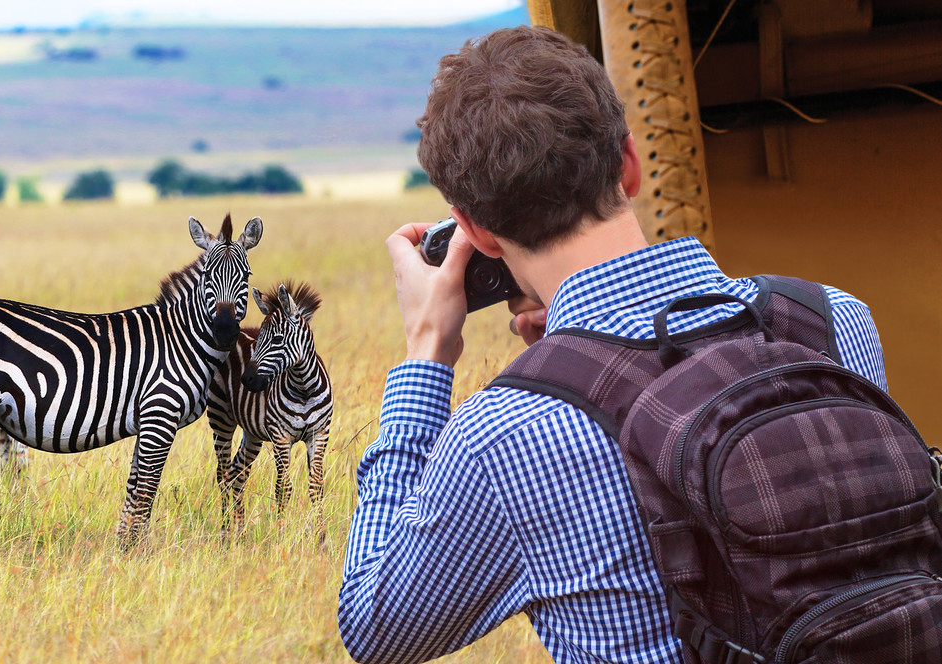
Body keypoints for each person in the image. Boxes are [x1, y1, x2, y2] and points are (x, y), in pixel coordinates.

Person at [337, 26, 887, 663]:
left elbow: (377, 627)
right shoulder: (833, 323)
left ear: (477, 233)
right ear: (629, 163)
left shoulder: (506, 436)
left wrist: (426, 355)